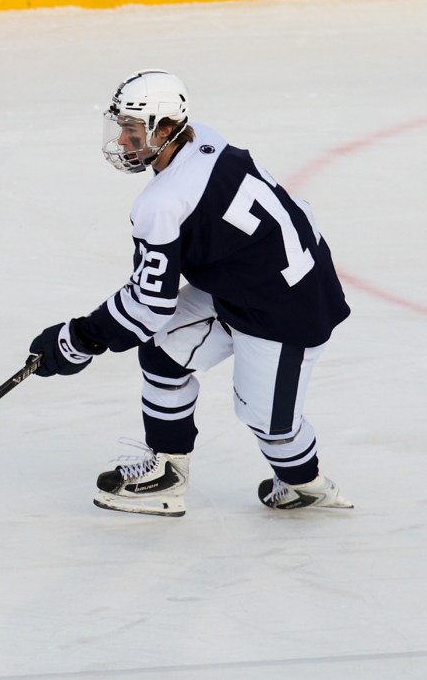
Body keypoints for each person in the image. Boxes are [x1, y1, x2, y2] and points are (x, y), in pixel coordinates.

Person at [28, 69, 353, 517]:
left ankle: (306, 486)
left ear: (166, 129)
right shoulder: (205, 140)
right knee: (162, 352)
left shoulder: (162, 203)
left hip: (287, 308)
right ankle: (166, 472)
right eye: (121, 127)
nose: (122, 141)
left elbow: (149, 303)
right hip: (242, 283)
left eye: (132, 130)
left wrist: (80, 338)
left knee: (269, 423)